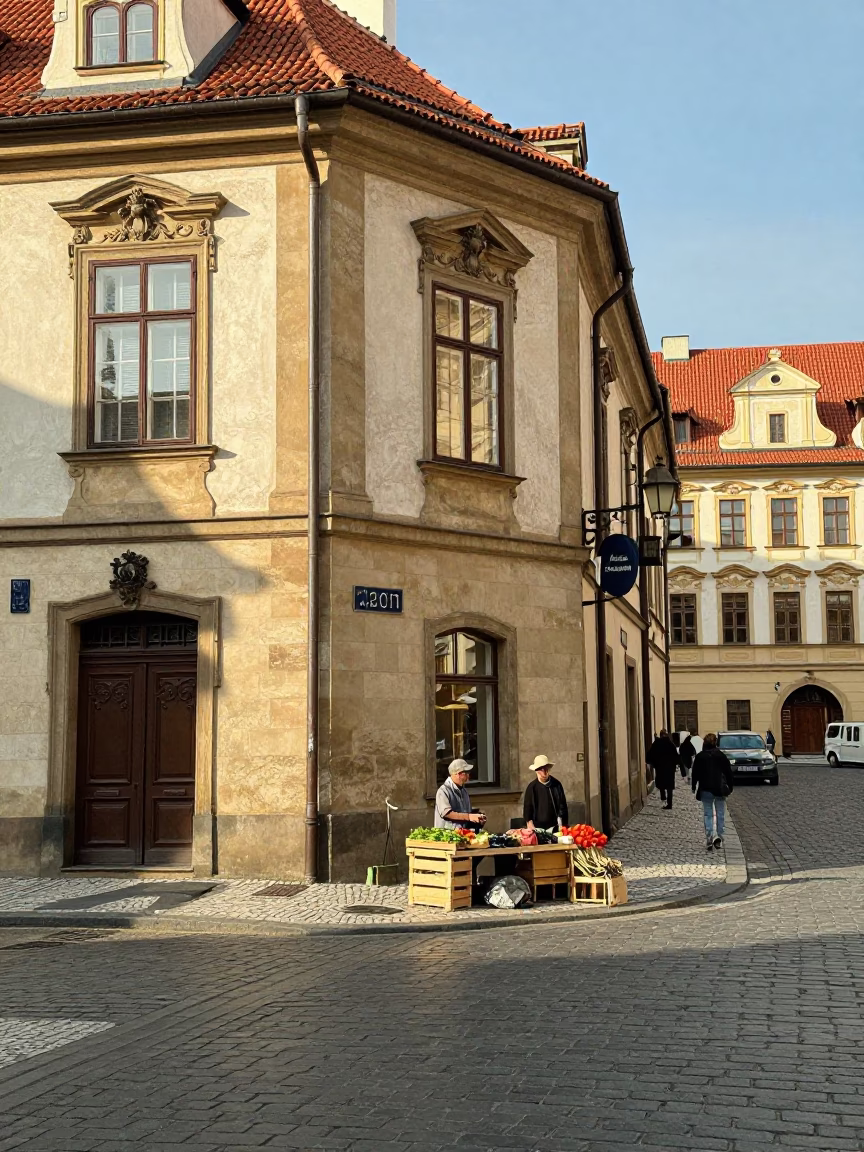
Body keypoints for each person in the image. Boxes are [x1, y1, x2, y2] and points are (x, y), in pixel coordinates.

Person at [691, 732, 734, 851]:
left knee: (708, 814)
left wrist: (694, 785)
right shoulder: (721, 756)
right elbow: (728, 773)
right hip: (719, 789)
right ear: (716, 743)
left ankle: (709, 837)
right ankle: (719, 836)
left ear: (704, 742)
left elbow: (695, 773)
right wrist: (730, 786)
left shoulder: (700, 756)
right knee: (720, 813)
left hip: (705, 788)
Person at [434, 759, 487, 830]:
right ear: (458, 774)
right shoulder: (443, 790)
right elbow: (447, 813)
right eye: (466, 773)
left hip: (462, 834)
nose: (469, 776)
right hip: (447, 836)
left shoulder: (463, 791)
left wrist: (477, 819)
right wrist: (469, 817)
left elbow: (465, 815)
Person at [523, 755, 569, 831]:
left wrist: (562, 824)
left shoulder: (556, 784)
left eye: (545, 769)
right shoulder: (532, 787)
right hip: (537, 828)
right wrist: (530, 825)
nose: (544, 773)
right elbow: (528, 808)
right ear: (536, 771)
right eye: (541, 770)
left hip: (555, 826)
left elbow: (562, 806)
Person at [647, 729, 680, 809]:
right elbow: (676, 756)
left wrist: (653, 764)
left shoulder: (656, 743)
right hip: (670, 768)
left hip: (660, 767)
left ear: (661, 735)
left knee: (661, 784)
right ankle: (670, 804)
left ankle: (663, 798)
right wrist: (675, 764)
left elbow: (650, 754)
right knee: (669, 786)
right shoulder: (671, 744)